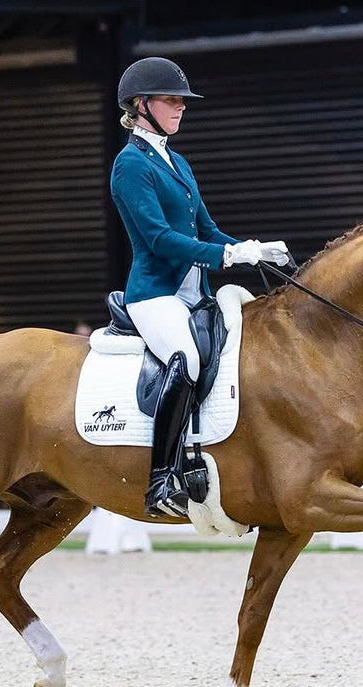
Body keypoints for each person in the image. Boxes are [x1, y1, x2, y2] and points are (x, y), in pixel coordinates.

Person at [110, 56, 287, 517]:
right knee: (185, 357)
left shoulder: (177, 161)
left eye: (182, 101)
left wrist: (253, 248)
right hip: (155, 294)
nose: (180, 108)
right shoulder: (130, 165)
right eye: (171, 100)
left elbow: (205, 230)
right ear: (140, 104)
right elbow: (159, 239)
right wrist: (228, 257)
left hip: (195, 294)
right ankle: (161, 479)